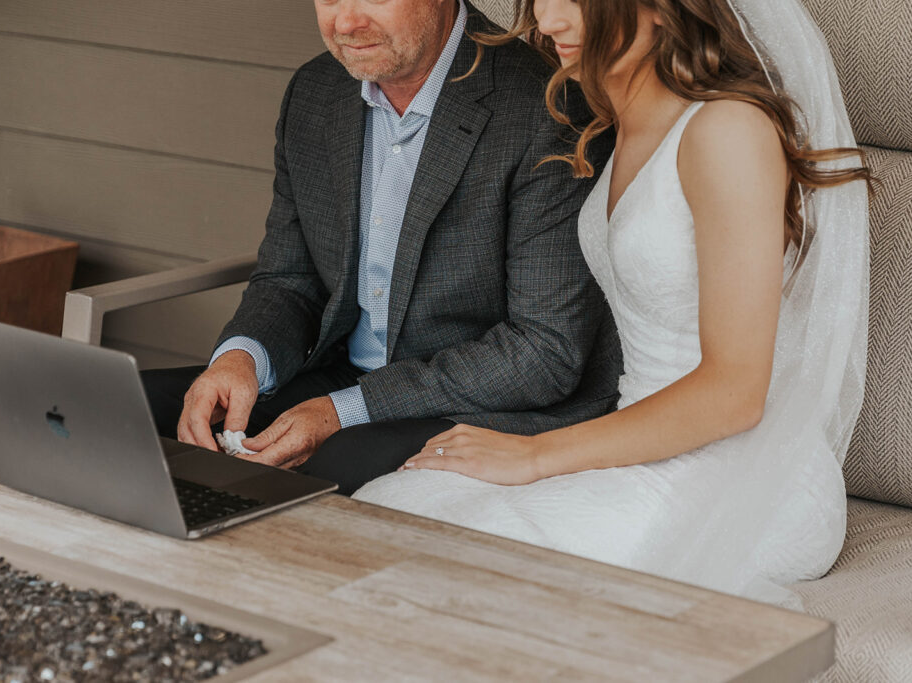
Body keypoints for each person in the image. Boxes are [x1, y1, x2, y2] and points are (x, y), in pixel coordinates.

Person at [354, 0, 872, 605]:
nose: (547, 24)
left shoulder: (728, 131)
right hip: (636, 441)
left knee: (481, 562)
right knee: (390, 510)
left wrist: (534, 455)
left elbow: (735, 394)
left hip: (753, 474)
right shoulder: (622, 118)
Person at [141, 0, 621, 495]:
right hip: (340, 377)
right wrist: (241, 359)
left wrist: (343, 411)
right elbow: (289, 279)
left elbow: (543, 352)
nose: (346, 23)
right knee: (138, 405)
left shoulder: (545, 107)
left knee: (334, 467)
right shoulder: (315, 91)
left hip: (485, 399)